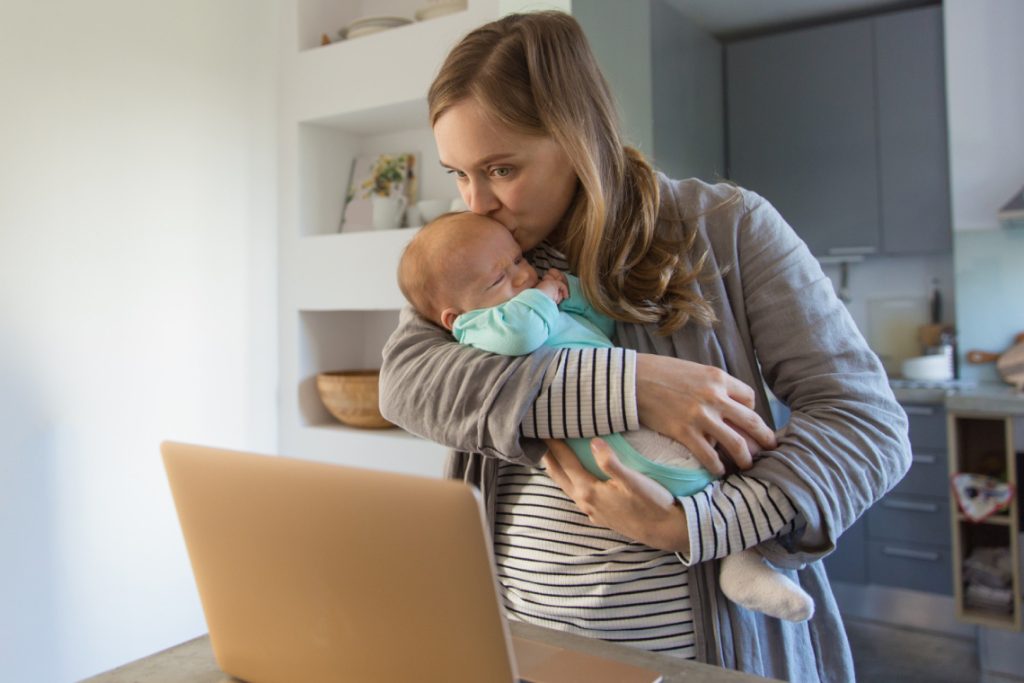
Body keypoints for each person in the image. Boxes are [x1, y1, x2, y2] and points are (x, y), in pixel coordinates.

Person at [379, 10, 910, 681]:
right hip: (520, 650)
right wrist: (631, 387)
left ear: (579, 138)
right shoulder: (474, 250)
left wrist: (702, 524)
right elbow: (407, 383)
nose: (475, 201)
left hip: (706, 659)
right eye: (458, 173)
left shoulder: (728, 227)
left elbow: (867, 423)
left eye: (501, 169)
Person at [398, 210, 816, 622]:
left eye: (519, 260)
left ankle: (742, 559)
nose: (522, 276)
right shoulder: (478, 325)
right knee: (686, 473)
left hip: (636, 445)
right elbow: (518, 337)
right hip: (609, 448)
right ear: (453, 318)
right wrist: (546, 295)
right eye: (498, 279)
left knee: (728, 457)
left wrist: (573, 294)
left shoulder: (732, 218)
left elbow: (602, 323)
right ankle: (736, 556)